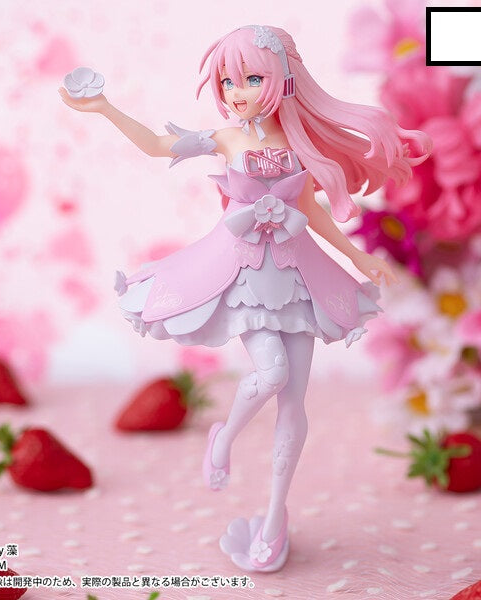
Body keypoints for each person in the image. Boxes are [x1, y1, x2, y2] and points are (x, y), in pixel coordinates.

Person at [59, 24, 431, 572]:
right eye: (228, 82)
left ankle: (276, 518)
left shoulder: (300, 145)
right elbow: (158, 145)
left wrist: (359, 257)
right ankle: (226, 434)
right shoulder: (229, 139)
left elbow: (314, 212)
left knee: (294, 402)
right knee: (271, 373)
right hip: (244, 277)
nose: (236, 93)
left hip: (298, 277)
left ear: (283, 79)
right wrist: (104, 108)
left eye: (251, 79)